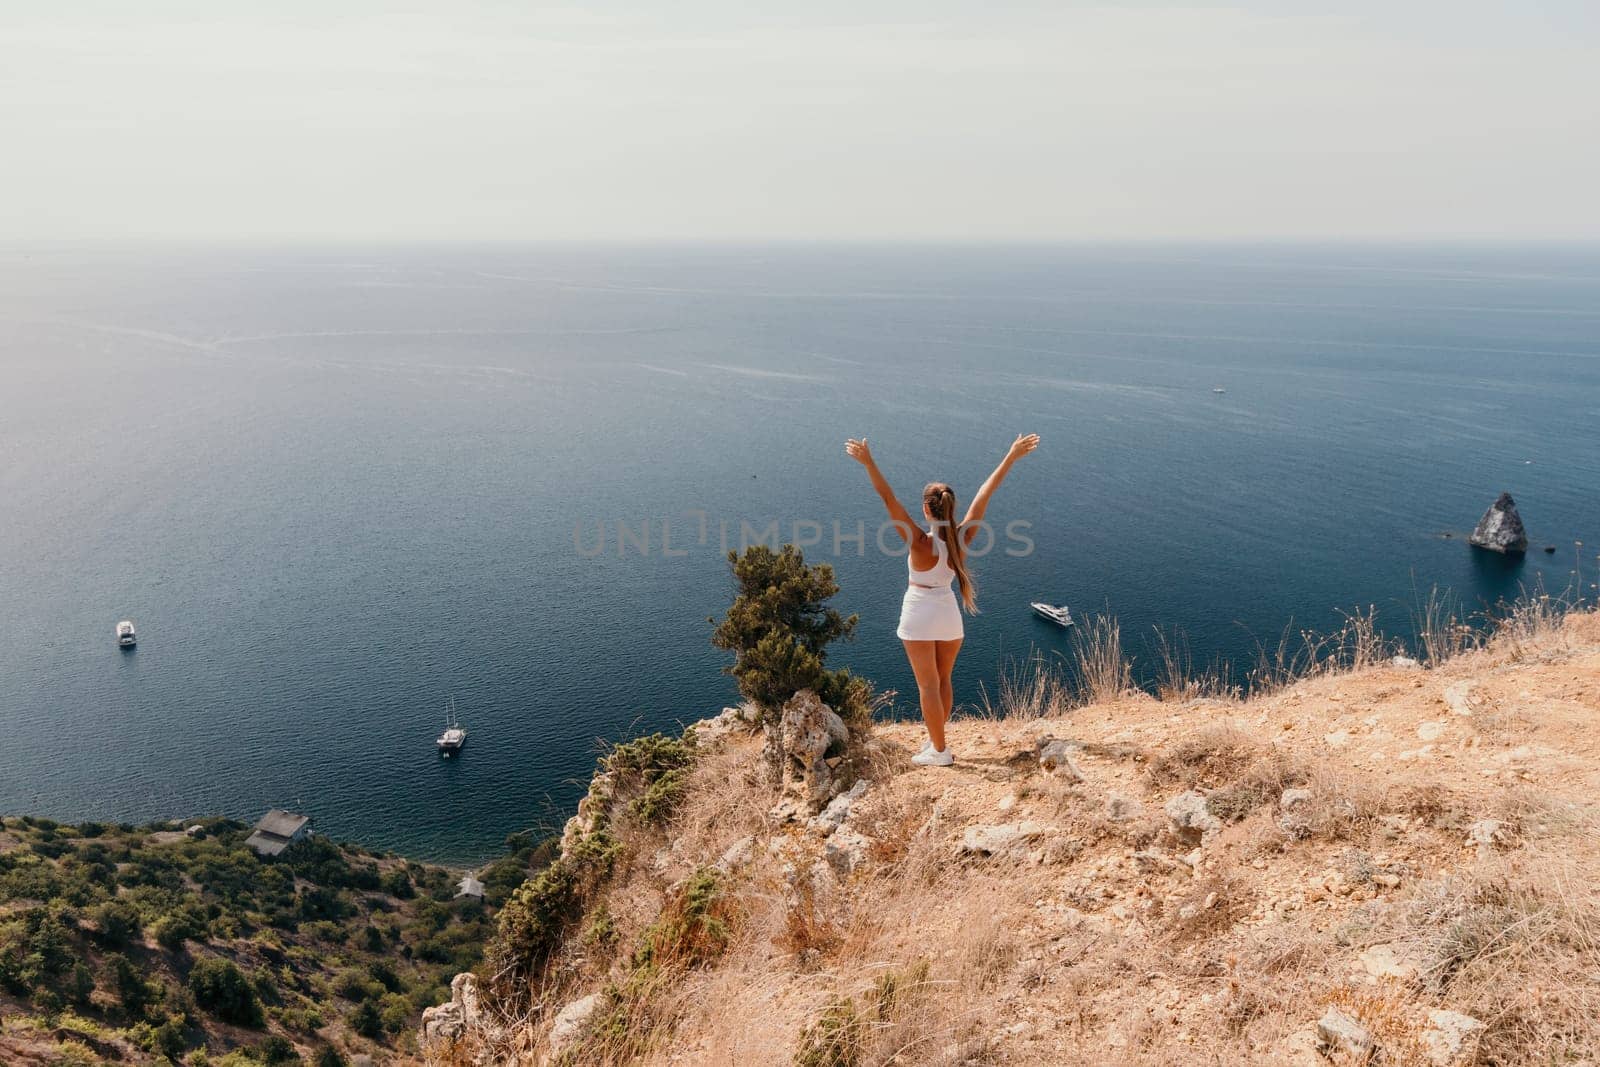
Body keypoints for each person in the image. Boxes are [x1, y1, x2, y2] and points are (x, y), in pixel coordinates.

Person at [844, 433, 1040, 765]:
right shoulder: (963, 538)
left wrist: (868, 462)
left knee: (927, 686)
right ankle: (937, 741)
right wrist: (1010, 456)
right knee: (943, 679)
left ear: (925, 508)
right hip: (949, 613)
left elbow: (886, 497)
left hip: (919, 612)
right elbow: (985, 494)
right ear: (951, 507)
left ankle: (939, 751)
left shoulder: (919, 542)